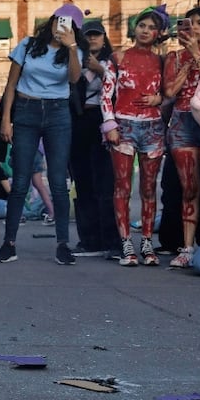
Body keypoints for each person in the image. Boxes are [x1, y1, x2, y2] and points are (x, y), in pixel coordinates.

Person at [0, 3, 85, 265]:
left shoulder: (72, 51)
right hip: (26, 108)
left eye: (68, 24)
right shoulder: (28, 44)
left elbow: (74, 79)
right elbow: (11, 84)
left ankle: (62, 245)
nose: (61, 26)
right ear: (52, 20)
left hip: (57, 112)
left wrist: (71, 47)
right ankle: (8, 243)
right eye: (59, 20)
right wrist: (6, 120)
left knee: (58, 180)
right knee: (21, 179)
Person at [100, 6, 168, 266]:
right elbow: (105, 95)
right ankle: (126, 242)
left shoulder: (162, 60)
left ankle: (147, 242)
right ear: (134, 28)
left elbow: (170, 90)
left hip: (153, 127)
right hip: (124, 126)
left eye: (152, 27)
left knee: (149, 188)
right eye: (142, 25)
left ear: (158, 33)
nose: (146, 31)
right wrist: (110, 124)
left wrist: (160, 98)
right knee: (123, 186)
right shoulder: (117, 58)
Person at [162, 5, 200, 268]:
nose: (194, 27)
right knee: (189, 188)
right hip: (182, 123)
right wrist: (188, 59)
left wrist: (197, 55)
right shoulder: (174, 57)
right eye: (189, 22)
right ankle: (186, 248)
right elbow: (170, 91)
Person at [69, 19, 118, 258]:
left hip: (104, 119)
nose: (93, 39)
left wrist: (101, 70)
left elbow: (125, 87)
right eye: (89, 35)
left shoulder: (114, 61)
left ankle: (110, 238)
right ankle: (88, 239)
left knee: (105, 181)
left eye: (97, 35)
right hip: (80, 119)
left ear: (104, 37)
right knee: (83, 180)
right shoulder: (75, 60)